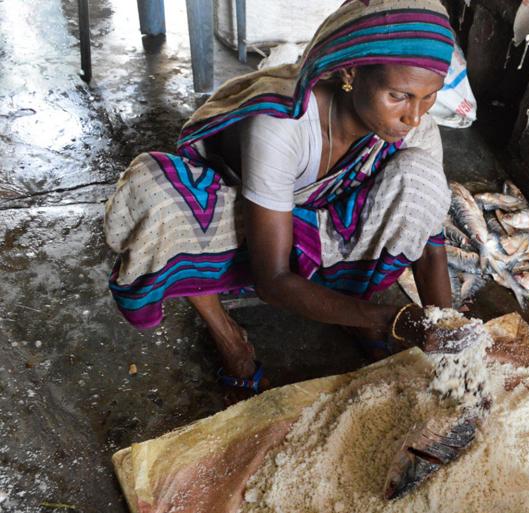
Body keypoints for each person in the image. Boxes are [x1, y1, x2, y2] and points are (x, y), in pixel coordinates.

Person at [104, 0, 465, 393]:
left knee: (422, 182)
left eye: (428, 97)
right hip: (248, 222)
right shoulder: (281, 123)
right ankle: (229, 337)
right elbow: (272, 278)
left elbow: (431, 246)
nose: (414, 116)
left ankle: (353, 308)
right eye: (398, 96)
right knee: (159, 201)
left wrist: (445, 334)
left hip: (320, 219)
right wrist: (389, 319)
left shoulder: (416, 127)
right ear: (350, 71)